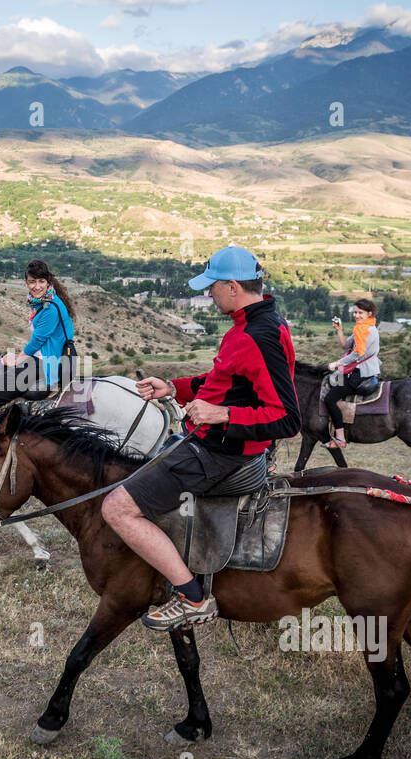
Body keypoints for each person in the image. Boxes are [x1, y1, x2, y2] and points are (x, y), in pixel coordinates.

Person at [102, 246, 301, 631]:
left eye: (211, 287)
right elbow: (223, 384)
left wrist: (222, 415)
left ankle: (193, 597)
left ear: (231, 286)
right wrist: (173, 388)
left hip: (219, 453)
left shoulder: (258, 335)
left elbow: (286, 418)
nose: (208, 295)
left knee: (116, 508)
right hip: (215, 442)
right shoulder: (253, 325)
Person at [0, 260, 76, 418]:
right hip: (45, 359)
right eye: (32, 282)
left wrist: (17, 359)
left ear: (48, 282)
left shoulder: (50, 308)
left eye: (41, 281)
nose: (37, 286)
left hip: (47, 364)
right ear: (26, 283)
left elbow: (37, 341)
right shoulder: (44, 302)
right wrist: (18, 357)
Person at [324, 299, 381, 450]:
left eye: (360, 313)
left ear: (369, 314)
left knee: (330, 398)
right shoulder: (360, 328)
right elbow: (345, 345)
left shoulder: (368, 331)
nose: (356, 315)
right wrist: (339, 329)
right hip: (356, 369)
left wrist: (337, 363)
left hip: (361, 373)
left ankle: (340, 438)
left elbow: (357, 355)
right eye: (355, 312)